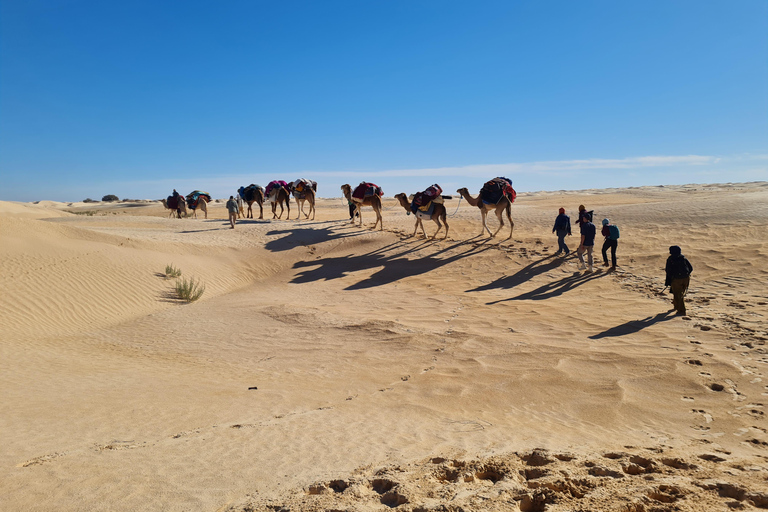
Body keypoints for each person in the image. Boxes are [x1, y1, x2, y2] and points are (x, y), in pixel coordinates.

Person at [665, 246, 693, 315]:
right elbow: (690, 268)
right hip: (686, 278)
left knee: (678, 294)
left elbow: (668, 270)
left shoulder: (671, 259)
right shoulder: (683, 258)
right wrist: (686, 275)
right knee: (680, 293)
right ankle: (676, 305)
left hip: (676, 279)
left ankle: (681, 310)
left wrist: (669, 280)